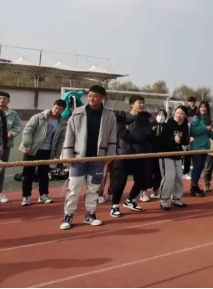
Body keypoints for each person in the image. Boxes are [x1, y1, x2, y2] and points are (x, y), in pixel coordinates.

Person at [60, 85, 117, 230]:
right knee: (74, 188)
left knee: (93, 188)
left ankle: (90, 214)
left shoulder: (109, 115)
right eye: (90, 95)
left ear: (102, 98)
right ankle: (68, 215)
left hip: (98, 158)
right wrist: (68, 155)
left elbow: (112, 136)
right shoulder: (78, 113)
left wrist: (110, 155)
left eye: (95, 96)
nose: (91, 98)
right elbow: (69, 135)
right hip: (78, 157)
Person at [19, 100, 68, 206]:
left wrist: (57, 153)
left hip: (47, 151)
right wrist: (28, 145)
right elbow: (28, 130)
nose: (57, 110)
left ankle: (43, 195)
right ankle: (26, 197)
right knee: (28, 174)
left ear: (63, 110)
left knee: (44, 174)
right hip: (32, 149)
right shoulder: (39, 117)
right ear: (52, 106)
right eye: (56, 107)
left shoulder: (62, 122)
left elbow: (61, 139)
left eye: (60, 109)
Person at [111, 96, 152, 218]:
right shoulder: (122, 115)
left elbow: (147, 133)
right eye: (139, 102)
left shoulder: (145, 118)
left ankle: (130, 200)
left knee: (141, 180)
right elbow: (121, 132)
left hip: (140, 154)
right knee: (120, 182)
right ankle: (115, 206)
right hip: (124, 154)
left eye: (143, 103)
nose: (142, 105)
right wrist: (136, 137)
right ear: (132, 104)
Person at [159, 106, 190, 211]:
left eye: (181, 113)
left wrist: (187, 139)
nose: (178, 115)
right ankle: (164, 200)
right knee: (169, 178)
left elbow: (185, 139)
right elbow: (162, 140)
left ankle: (176, 199)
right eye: (177, 113)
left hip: (178, 155)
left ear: (185, 115)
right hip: (166, 155)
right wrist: (173, 139)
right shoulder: (168, 125)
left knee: (179, 178)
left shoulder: (185, 126)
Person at [0, 91, 22, 204]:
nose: (2, 100)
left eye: (4, 98)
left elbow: (18, 126)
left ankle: (0, 192)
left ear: (8, 101)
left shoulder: (13, 114)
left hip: (5, 145)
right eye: (0, 98)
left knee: (1, 168)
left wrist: (12, 133)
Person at [190, 101, 213, 197]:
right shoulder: (195, 118)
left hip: (205, 146)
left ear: (207, 109)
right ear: (199, 108)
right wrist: (206, 128)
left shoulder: (208, 120)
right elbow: (193, 131)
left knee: (201, 167)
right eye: (201, 107)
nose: (203, 109)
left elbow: (210, 134)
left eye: (205, 107)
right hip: (197, 146)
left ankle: (195, 186)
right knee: (197, 167)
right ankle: (193, 187)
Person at [143, 109, 167, 200]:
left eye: (163, 115)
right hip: (150, 152)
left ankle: (155, 189)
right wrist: (152, 132)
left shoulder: (166, 127)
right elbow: (146, 137)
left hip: (161, 152)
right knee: (148, 171)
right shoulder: (151, 125)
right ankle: (144, 191)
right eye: (159, 114)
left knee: (158, 172)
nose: (160, 116)